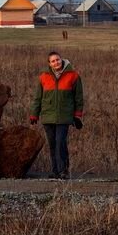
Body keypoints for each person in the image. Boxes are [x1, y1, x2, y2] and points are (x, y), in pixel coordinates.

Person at [29, 51, 84, 179]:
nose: (56, 62)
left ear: (62, 60)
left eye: (58, 60)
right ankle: (55, 172)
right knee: (52, 144)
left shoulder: (73, 76)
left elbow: (79, 98)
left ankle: (63, 171)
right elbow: (38, 97)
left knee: (60, 142)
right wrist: (34, 114)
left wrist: (78, 115)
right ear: (49, 64)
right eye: (53, 61)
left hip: (64, 116)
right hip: (48, 116)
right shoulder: (44, 77)